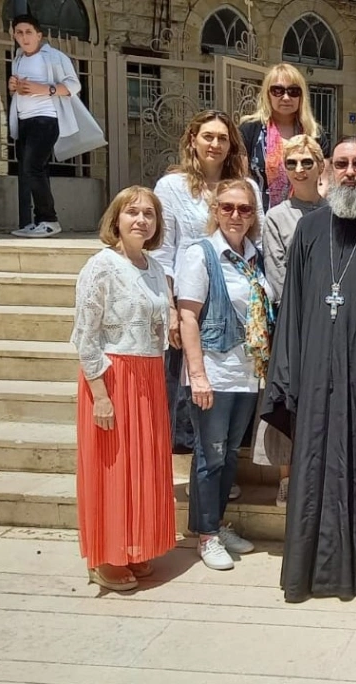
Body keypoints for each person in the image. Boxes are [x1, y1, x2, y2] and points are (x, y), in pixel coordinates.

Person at [262, 136, 356, 602]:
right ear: (328, 169)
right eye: (342, 163)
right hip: (317, 377)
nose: (350, 172)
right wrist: (286, 377)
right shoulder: (308, 230)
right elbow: (291, 312)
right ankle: (313, 573)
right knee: (315, 468)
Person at [71, 186, 174, 591]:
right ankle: (105, 555)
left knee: (142, 464)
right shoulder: (100, 266)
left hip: (148, 376)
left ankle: (133, 545)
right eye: (132, 212)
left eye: (149, 214)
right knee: (112, 467)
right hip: (113, 377)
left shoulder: (153, 267)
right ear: (116, 219)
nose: (141, 220)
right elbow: (85, 336)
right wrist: (100, 395)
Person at [151, 110, 261, 487]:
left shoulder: (245, 185)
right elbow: (162, 252)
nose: (215, 144)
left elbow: (254, 245)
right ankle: (205, 487)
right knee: (192, 396)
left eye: (222, 138)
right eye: (207, 136)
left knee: (230, 402)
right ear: (192, 140)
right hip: (191, 301)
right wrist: (168, 307)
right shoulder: (171, 187)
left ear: (232, 144)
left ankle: (221, 482)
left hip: (235, 305)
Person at [176, 178, 272, 571]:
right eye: (228, 207)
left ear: (253, 216)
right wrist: (197, 375)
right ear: (215, 211)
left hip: (248, 374)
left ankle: (217, 524)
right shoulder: (201, 254)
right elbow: (187, 317)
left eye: (244, 209)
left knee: (230, 454)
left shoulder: (254, 256)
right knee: (209, 455)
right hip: (213, 372)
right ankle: (205, 535)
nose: (236, 215)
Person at [256, 134, 327, 507]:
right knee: (288, 396)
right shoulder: (276, 218)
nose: (299, 169)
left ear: (321, 165)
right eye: (292, 163)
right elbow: (278, 275)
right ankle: (286, 478)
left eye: (307, 162)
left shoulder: (335, 209)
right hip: (293, 321)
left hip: (332, 320)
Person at [8, 14, 104, 238]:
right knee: (31, 170)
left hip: (46, 119)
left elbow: (73, 85)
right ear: (14, 35)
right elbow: (21, 88)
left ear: (39, 35)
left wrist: (44, 89)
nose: (24, 37)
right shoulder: (18, 58)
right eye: (19, 32)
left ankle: (49, 220)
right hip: (25, 120)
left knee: (33, 168)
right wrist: (13, 85)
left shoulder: (53, 57)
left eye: (28, 32)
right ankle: (41, 220)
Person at [239, 63, 330, 211]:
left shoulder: (315, 134)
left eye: (293, 91)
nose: (286, 97)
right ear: (267, 94)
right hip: (258, 216)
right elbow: (241, 178)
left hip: (304, 215)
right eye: (278, 90)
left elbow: (323, 182)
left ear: (302, 96)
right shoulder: (250, 129)